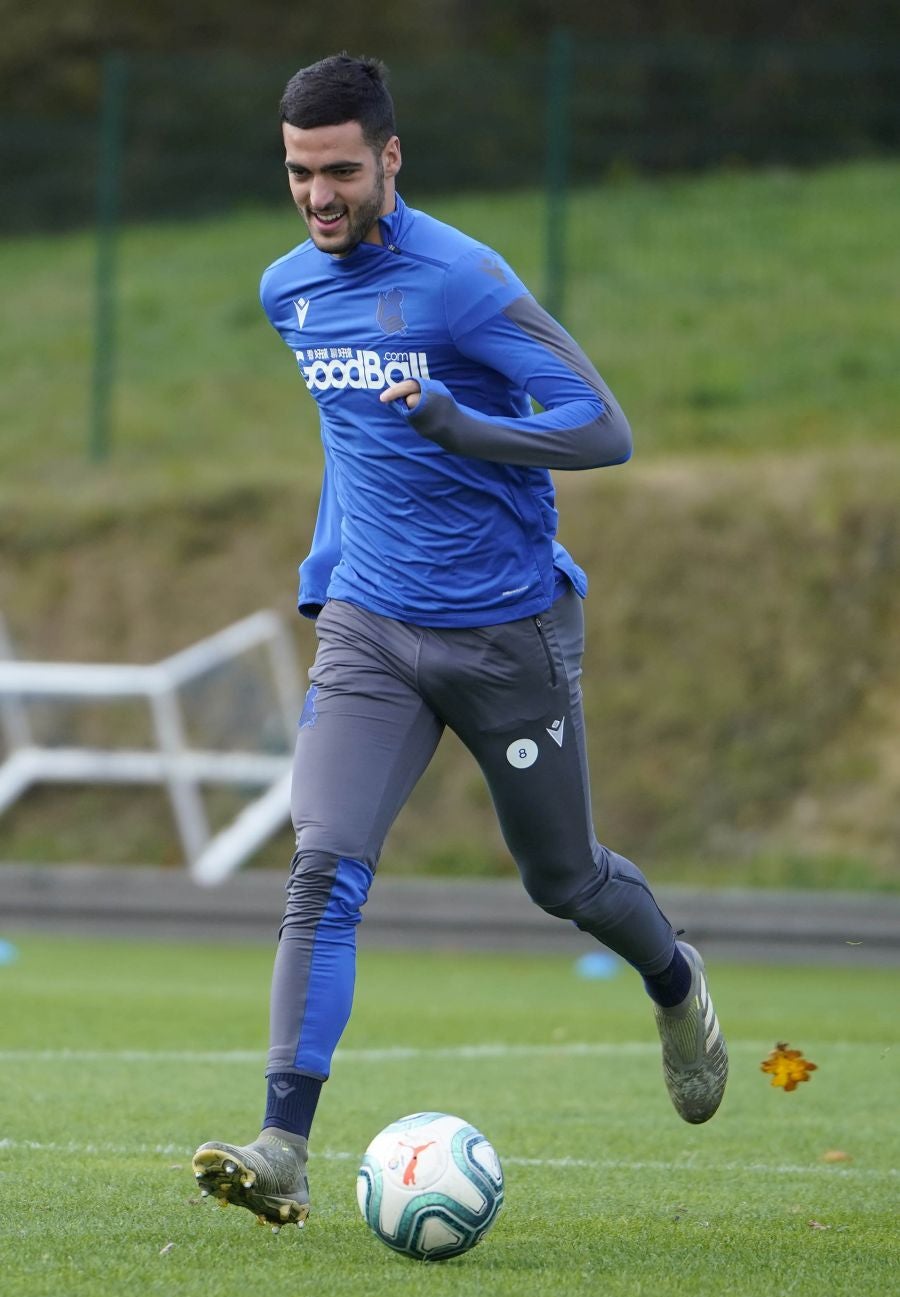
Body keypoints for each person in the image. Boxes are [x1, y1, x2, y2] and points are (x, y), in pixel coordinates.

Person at [192, 54, 728, 1230]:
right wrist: (331, 580)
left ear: (390, 159)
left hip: (506, 635)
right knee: (323, 863)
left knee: (564, 878)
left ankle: (678, 983)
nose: (318, 194)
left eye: (339, 169)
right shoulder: (290, 290)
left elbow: (605, 429)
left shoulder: (466, 281)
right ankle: (283, 1145)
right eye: (297, 172)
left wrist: (463, 424)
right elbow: (354, 447)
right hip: (373, 632)